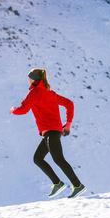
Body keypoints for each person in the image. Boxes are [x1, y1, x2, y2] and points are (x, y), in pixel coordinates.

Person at [10, 68, 86, 198]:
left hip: (51, 131)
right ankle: (57, 183)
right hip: (51, 131)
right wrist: (67, 125)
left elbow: (23, 110)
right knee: (38, 159)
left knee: (58, 159)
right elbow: (69, 104)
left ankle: (78, 185)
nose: (28, 81)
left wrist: (12, 110)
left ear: (34, 79)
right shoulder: (50, 93)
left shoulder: (35, 92)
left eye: (29, 79)